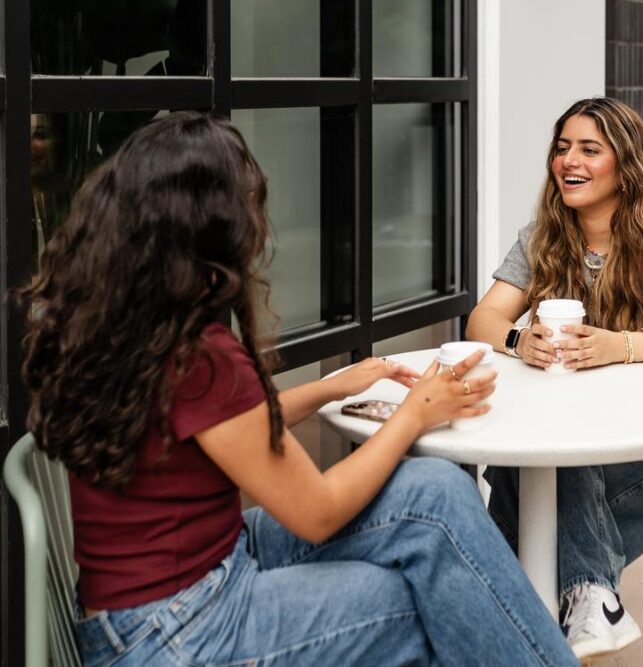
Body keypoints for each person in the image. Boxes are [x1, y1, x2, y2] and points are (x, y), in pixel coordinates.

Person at [14, 112, 578, 667]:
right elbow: (317, 512)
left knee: (432, 493)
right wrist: (415, 414)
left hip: (154, 602)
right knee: (423, 597)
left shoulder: (125, 320)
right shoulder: (198, 351)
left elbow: (215, 428)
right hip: (180, 631)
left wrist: (330, 387)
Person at [466, 97, 643, 662]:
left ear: (625, 164)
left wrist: (621, 346)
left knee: (532, 472)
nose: (570, 161)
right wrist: (520, 340)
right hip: (578, 434)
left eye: (590, 149)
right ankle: (589, 598)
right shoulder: (544, 236)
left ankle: (504, 600)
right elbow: (482, 319)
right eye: (563, 148)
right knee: (556, 453)